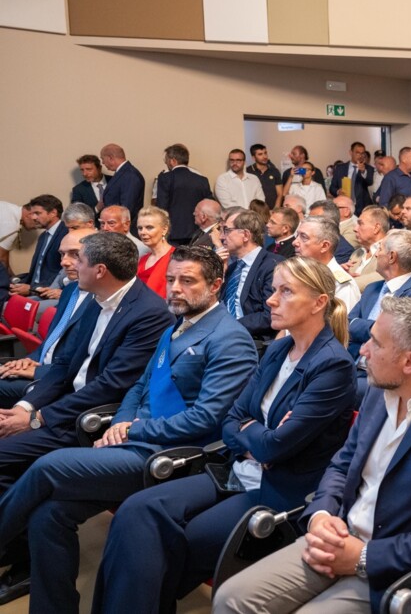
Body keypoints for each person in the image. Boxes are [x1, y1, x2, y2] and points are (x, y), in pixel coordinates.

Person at [0, 246, 257, 612]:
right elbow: (138, 386)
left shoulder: (230, 338)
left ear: (216, 285)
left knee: (49, 465)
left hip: (172, 458)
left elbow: (206, 419)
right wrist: (122, 420)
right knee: (48, 515)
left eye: (187, 281)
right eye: (171, 280)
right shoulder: (176, 324)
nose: (175, 289)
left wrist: (133, 430)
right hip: (132, 442)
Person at [93, 256, 357, 613]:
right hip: (235, 469)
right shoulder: (279, 349)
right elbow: (234, 420)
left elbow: (274, 448)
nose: (270, 300)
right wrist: (255, 434)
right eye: (273, 290)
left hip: (279, 489)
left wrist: (255, 435)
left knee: (181, 538)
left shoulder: (333, 364)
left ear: (319, 303)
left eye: (285, 292)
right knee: (137, 510)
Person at [213, 296, 411, 614]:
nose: (362, 351)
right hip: (337, 535)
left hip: (391, 565)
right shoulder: (379, 391)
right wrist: (321, 516)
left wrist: (364, 556)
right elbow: (342, 464)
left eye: (375, 343)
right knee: (232, 597)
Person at [0, 229, 97, 407]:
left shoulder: (101, 301)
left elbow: (85, 363)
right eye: (61, 254)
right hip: (41, 367)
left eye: (74, 254)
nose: (64, 262)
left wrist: (37, 371)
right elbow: (50, 341)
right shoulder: (70, 290)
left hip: (59, 381)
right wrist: (28, 360)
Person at [346, 229, 411, 367]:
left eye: (380, 249)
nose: (376, 254)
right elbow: (347, 324)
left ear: (392, 257)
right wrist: (377, 328)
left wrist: (362, 325)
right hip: (352, 366)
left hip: (384, 375)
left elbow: (395, 336)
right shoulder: (372, 289)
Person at [220, 209, 285, 341]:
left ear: (245, 235)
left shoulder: (273, 265)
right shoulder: (231, 267)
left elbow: (270, 314)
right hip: (225, 336)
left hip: (254, 340)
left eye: (227, 230)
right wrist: (218, 273)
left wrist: (229, 327)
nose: (222, 237)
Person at [293, 216, 361, 314]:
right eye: (297, 236)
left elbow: (342, 326)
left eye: (304, 237)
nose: (294, 242)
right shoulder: (298, 273)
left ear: (324, 246)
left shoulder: (342, 285)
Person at [9, 194, 66, 297]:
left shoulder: (66, 234)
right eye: (32, 214)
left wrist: (32, 289)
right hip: (32, 287)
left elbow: (60, 273)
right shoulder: (43, 236)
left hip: (47, 291)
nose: (33, 217)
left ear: (53, 213)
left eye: (37, 213)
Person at [155, 144, 213, 245]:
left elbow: (162, 207)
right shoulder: (202, 180)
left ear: (173, 161)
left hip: (173, 233)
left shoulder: (165, 178)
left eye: (166, 161)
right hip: (198, 233)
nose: (166, 164)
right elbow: (210, 206)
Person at [98, 144, 145, 231]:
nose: (103, 163)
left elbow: (127, 208)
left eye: (102, 159)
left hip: (123, 230)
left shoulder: (130, 175)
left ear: (111, 158)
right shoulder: (123, 173)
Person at [345, 206, 389, 291]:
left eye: (360, 224)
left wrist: (347, 283)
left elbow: (384, 275)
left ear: (376, 228)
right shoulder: (357, 253)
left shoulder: (388, 251)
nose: (355, 229)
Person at [136, 206, 175, 299]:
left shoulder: (176, 257)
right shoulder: (142, 259)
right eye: (140, 228)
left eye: (149, 227)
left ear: (164, 229)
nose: (142, 232)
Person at [246, 143, 284, 208]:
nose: (264, 156)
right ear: (253, 157)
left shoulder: (274, 171)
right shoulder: (248, 171)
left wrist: (276, 207)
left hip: (273, 209)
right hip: (255, 210)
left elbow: (280, 193)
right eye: (260, 154)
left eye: (265, 153)